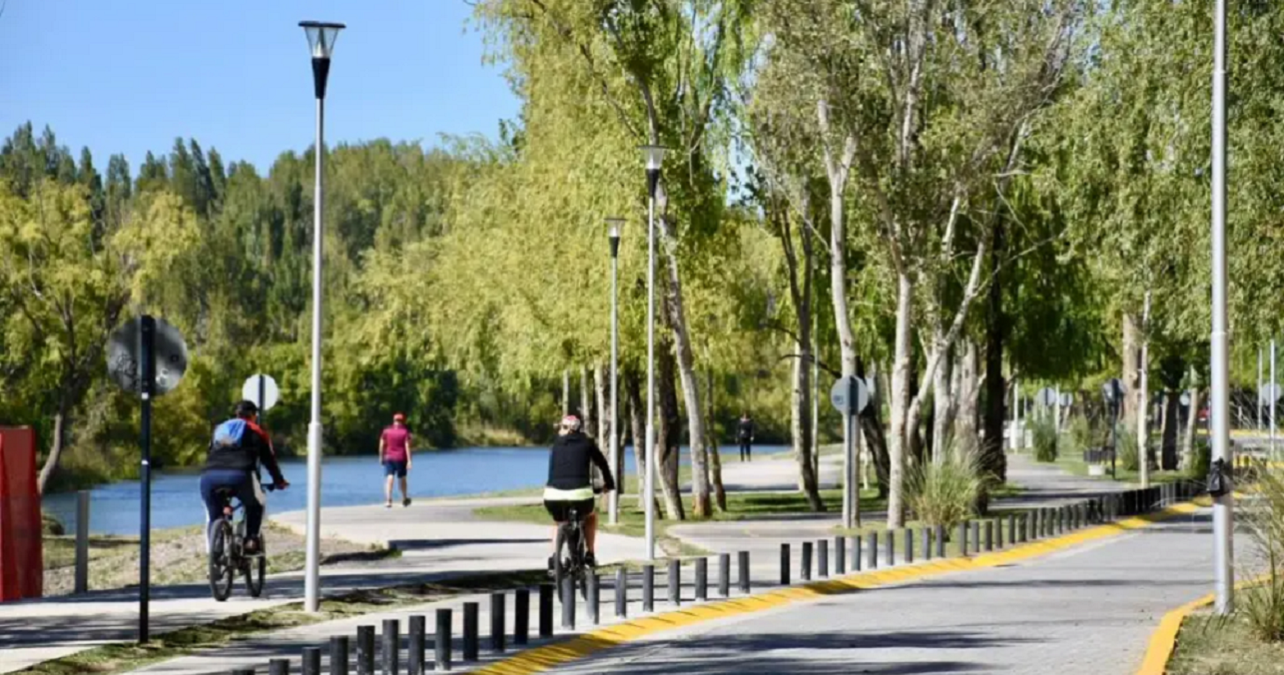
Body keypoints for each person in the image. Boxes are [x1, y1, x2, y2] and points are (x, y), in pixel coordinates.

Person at [201, 400, 288, 554]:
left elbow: (210, 452)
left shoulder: (219, 429)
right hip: (241, 475)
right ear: (254, 415)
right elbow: (269, 460)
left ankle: (214, 554)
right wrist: (279, 481)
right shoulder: (257, 431)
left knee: (213, 515)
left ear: (237, 414)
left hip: (210, 477)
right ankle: (251, 540)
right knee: (257, 503)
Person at [545, 413, 615, 570]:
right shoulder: (587, 443)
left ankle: (554, 557)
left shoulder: (555, 444)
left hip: (552, 495)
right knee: (591, 517)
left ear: (568, 429)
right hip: (580, 495)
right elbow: (602, 463)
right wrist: (608, 483)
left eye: (562, 427)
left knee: (559, 521)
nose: (559, 431)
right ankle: (590, 554)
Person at [379, 412, 414, 508]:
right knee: (402, 478)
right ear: (402, 422)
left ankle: (388, 500)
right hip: (401, 458)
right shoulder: (405, 432)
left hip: (389, 457)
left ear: (393, 421)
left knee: (389, 477)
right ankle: (404, 498)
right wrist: (409, 460)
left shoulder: (386, 431)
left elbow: (382, 444)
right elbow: (407, 446)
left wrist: (381, 457)